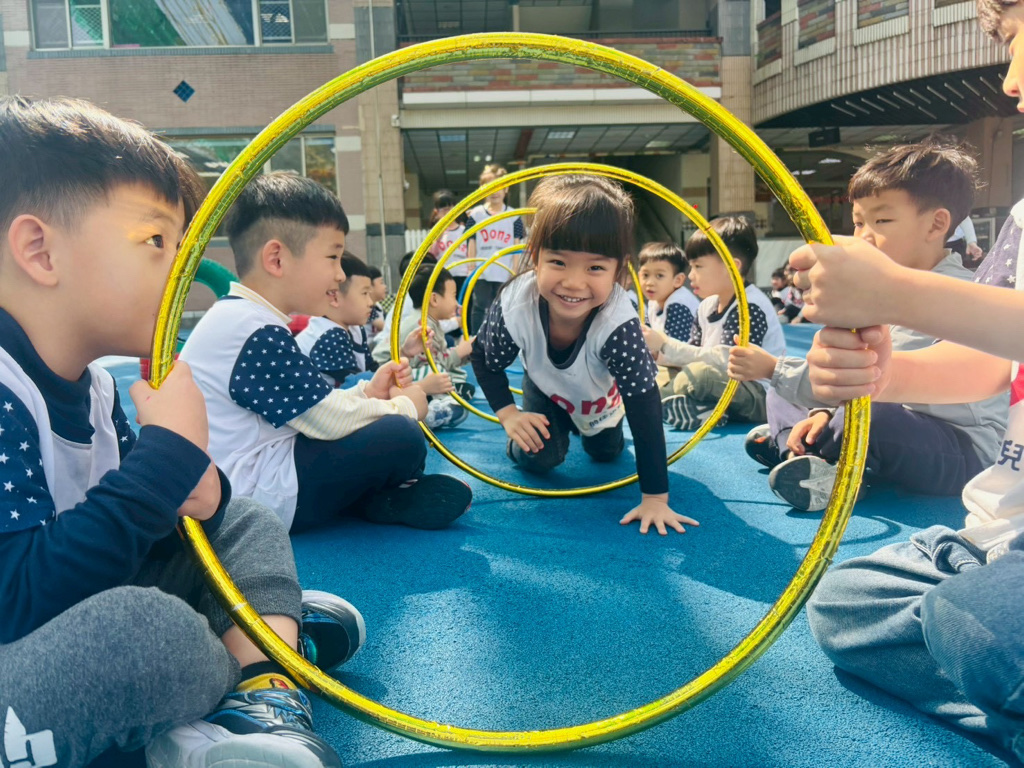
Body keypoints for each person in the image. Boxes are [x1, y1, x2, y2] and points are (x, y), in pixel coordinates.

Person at [0, 96, 362, 768]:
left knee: (245, 521)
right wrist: (164, 461)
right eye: (156, 242)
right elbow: (15, 600)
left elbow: (142, 525)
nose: (182, 270)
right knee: (146, 637)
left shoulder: (97, 387)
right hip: (18, 654)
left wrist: (200, 491)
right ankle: (258, 653)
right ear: (40, 251)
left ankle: (260, 687)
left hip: (78, 603)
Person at [786, 2, 1024, 757]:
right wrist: (882, 373)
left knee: (972, 622)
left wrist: (892, 293)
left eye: (1020, 41)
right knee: (845, 603)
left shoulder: (936, 281)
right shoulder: (1022, 219)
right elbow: (992, 364)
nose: (1010, 80)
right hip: (999, 527)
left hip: (969, 467)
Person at [181, 172, 471, 534]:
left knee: (381, 420)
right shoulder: (251, 328)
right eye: (333, 257)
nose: (339, 275)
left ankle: (377, 497)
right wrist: (407, 405)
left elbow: (310, 406)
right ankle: (380, 495)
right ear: (277, 259)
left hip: (256, 476)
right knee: (400, 433)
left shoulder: (245, 319)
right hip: (256, 495)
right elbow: (324, 419)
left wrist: (367, 393)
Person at [731, 141, 1007, 511]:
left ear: (936, 223)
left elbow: (871, 385)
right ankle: (809, 453)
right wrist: (820, 411)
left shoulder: (951, 295)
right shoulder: (876, 292)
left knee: (863, 415)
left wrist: (774, 370)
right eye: (859, 222)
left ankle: (810, 457)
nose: (863, 236)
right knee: (785, 395)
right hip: (887, 414)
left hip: (959, 447)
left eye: (882, 221)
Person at [471, 174, 698, 536]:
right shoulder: (516, 303)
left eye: (595, 267)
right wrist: (509, 414)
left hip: (597, 400)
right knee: (539, 456)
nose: (574, 283)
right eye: (558, 262)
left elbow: (644, 403)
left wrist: (655, 498)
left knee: (605, 452)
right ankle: (529, 441)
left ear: (619, 271)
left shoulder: (618, 324)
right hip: (545, 387)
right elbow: (484, 358)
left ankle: (597, 434)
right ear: (536, 258)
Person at [643, 216, 785, 431]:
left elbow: (728, 363)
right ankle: (703, 409)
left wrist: (665, 344)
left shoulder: (749, 306)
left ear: (732, 267)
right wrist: (659, 356)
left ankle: (652, 403)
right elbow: (693, 353)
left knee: (700, 377)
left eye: (698, 267)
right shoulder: (707, 306)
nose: (691, 275)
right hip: (721, 383)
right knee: (656, 372)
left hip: (758, 394)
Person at [384, 266, 475, 428]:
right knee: (436, 370)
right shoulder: (422, 325)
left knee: (450, 372)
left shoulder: (431, 322)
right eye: (454, 296)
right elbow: (433, 363)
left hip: (406, 371)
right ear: (434, 299)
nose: (457, 303)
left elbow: (439, 356)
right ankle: (435, 404)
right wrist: (459, 352)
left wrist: (462, 355)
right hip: (387, 374)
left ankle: (445, 394)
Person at [296, 253, 379, 387]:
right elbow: (357, 384)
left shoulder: (355, 329)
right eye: (364, 293)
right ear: (335, 298)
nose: (370, 302)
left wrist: (404, 353)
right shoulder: (328, 336)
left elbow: (372, 369)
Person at [465, 164, 526, 333]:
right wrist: (471, 266)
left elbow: (516, 244)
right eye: (490, 187)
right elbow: (471, 241)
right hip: (482, 269)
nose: (495, 191)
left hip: (504, 269)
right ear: (483, 189)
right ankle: (475, 337)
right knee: (479, 305)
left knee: (502, 306)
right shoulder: (476, 214)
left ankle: (497, 337)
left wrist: (515, 269)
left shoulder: (513, 216)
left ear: (506, 189)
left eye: (499, 186)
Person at [637, 241, 699, 342]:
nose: (650, 282)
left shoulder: (678, 305)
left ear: (678, 280)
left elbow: (675, 346)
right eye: (645, 275)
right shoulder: (654, 302)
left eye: (659, 275)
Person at [426, 188, 470, 292]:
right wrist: (438, 236)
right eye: (443, 209)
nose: (447, 212)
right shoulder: (434, 233)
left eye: (450, 208)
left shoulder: (464, 231)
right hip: (444, 275)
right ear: (436, 212)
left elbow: (470, 253)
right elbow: (431, 255)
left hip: (462, 275)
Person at [365, 264, 387, 341]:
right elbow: (384, 327)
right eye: (381, 283)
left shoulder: (378, 307)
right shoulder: (367, 307)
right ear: (370, 287)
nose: (385, 286)